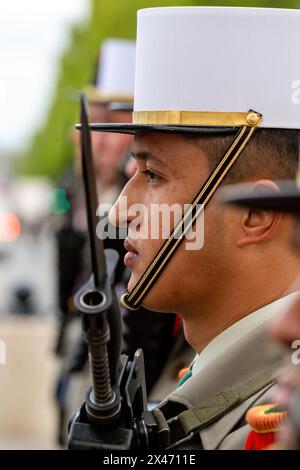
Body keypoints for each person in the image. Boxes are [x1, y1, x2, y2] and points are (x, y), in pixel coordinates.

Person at [84, 6, 300, 449]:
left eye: (153, 175)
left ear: (255, 213)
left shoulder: (280, 420)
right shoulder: (214, 391)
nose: (121, 210)